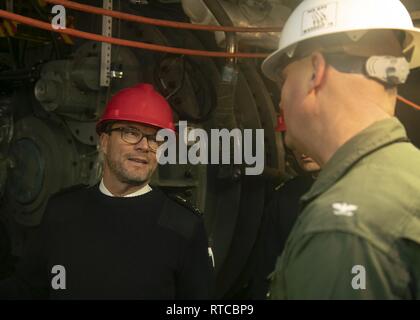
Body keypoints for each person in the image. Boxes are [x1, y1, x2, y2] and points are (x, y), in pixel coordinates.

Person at [261, 0, 420, 299]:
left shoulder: (341, 228)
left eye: (283, 80)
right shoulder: (410, 174)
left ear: (315, 72)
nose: (281, 101)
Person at [0, 83, 213, 299]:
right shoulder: (62, 211)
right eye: (131, 132)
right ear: (104, 141)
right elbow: (27, 288)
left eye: (155, 138)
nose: (144, 146)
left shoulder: (184, 227)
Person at [247, 116, 320, 299]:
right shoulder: (286, 196)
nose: (302, 149)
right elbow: (266, 267)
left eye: (309, 136)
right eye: (295, 141)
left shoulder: (359, 190)